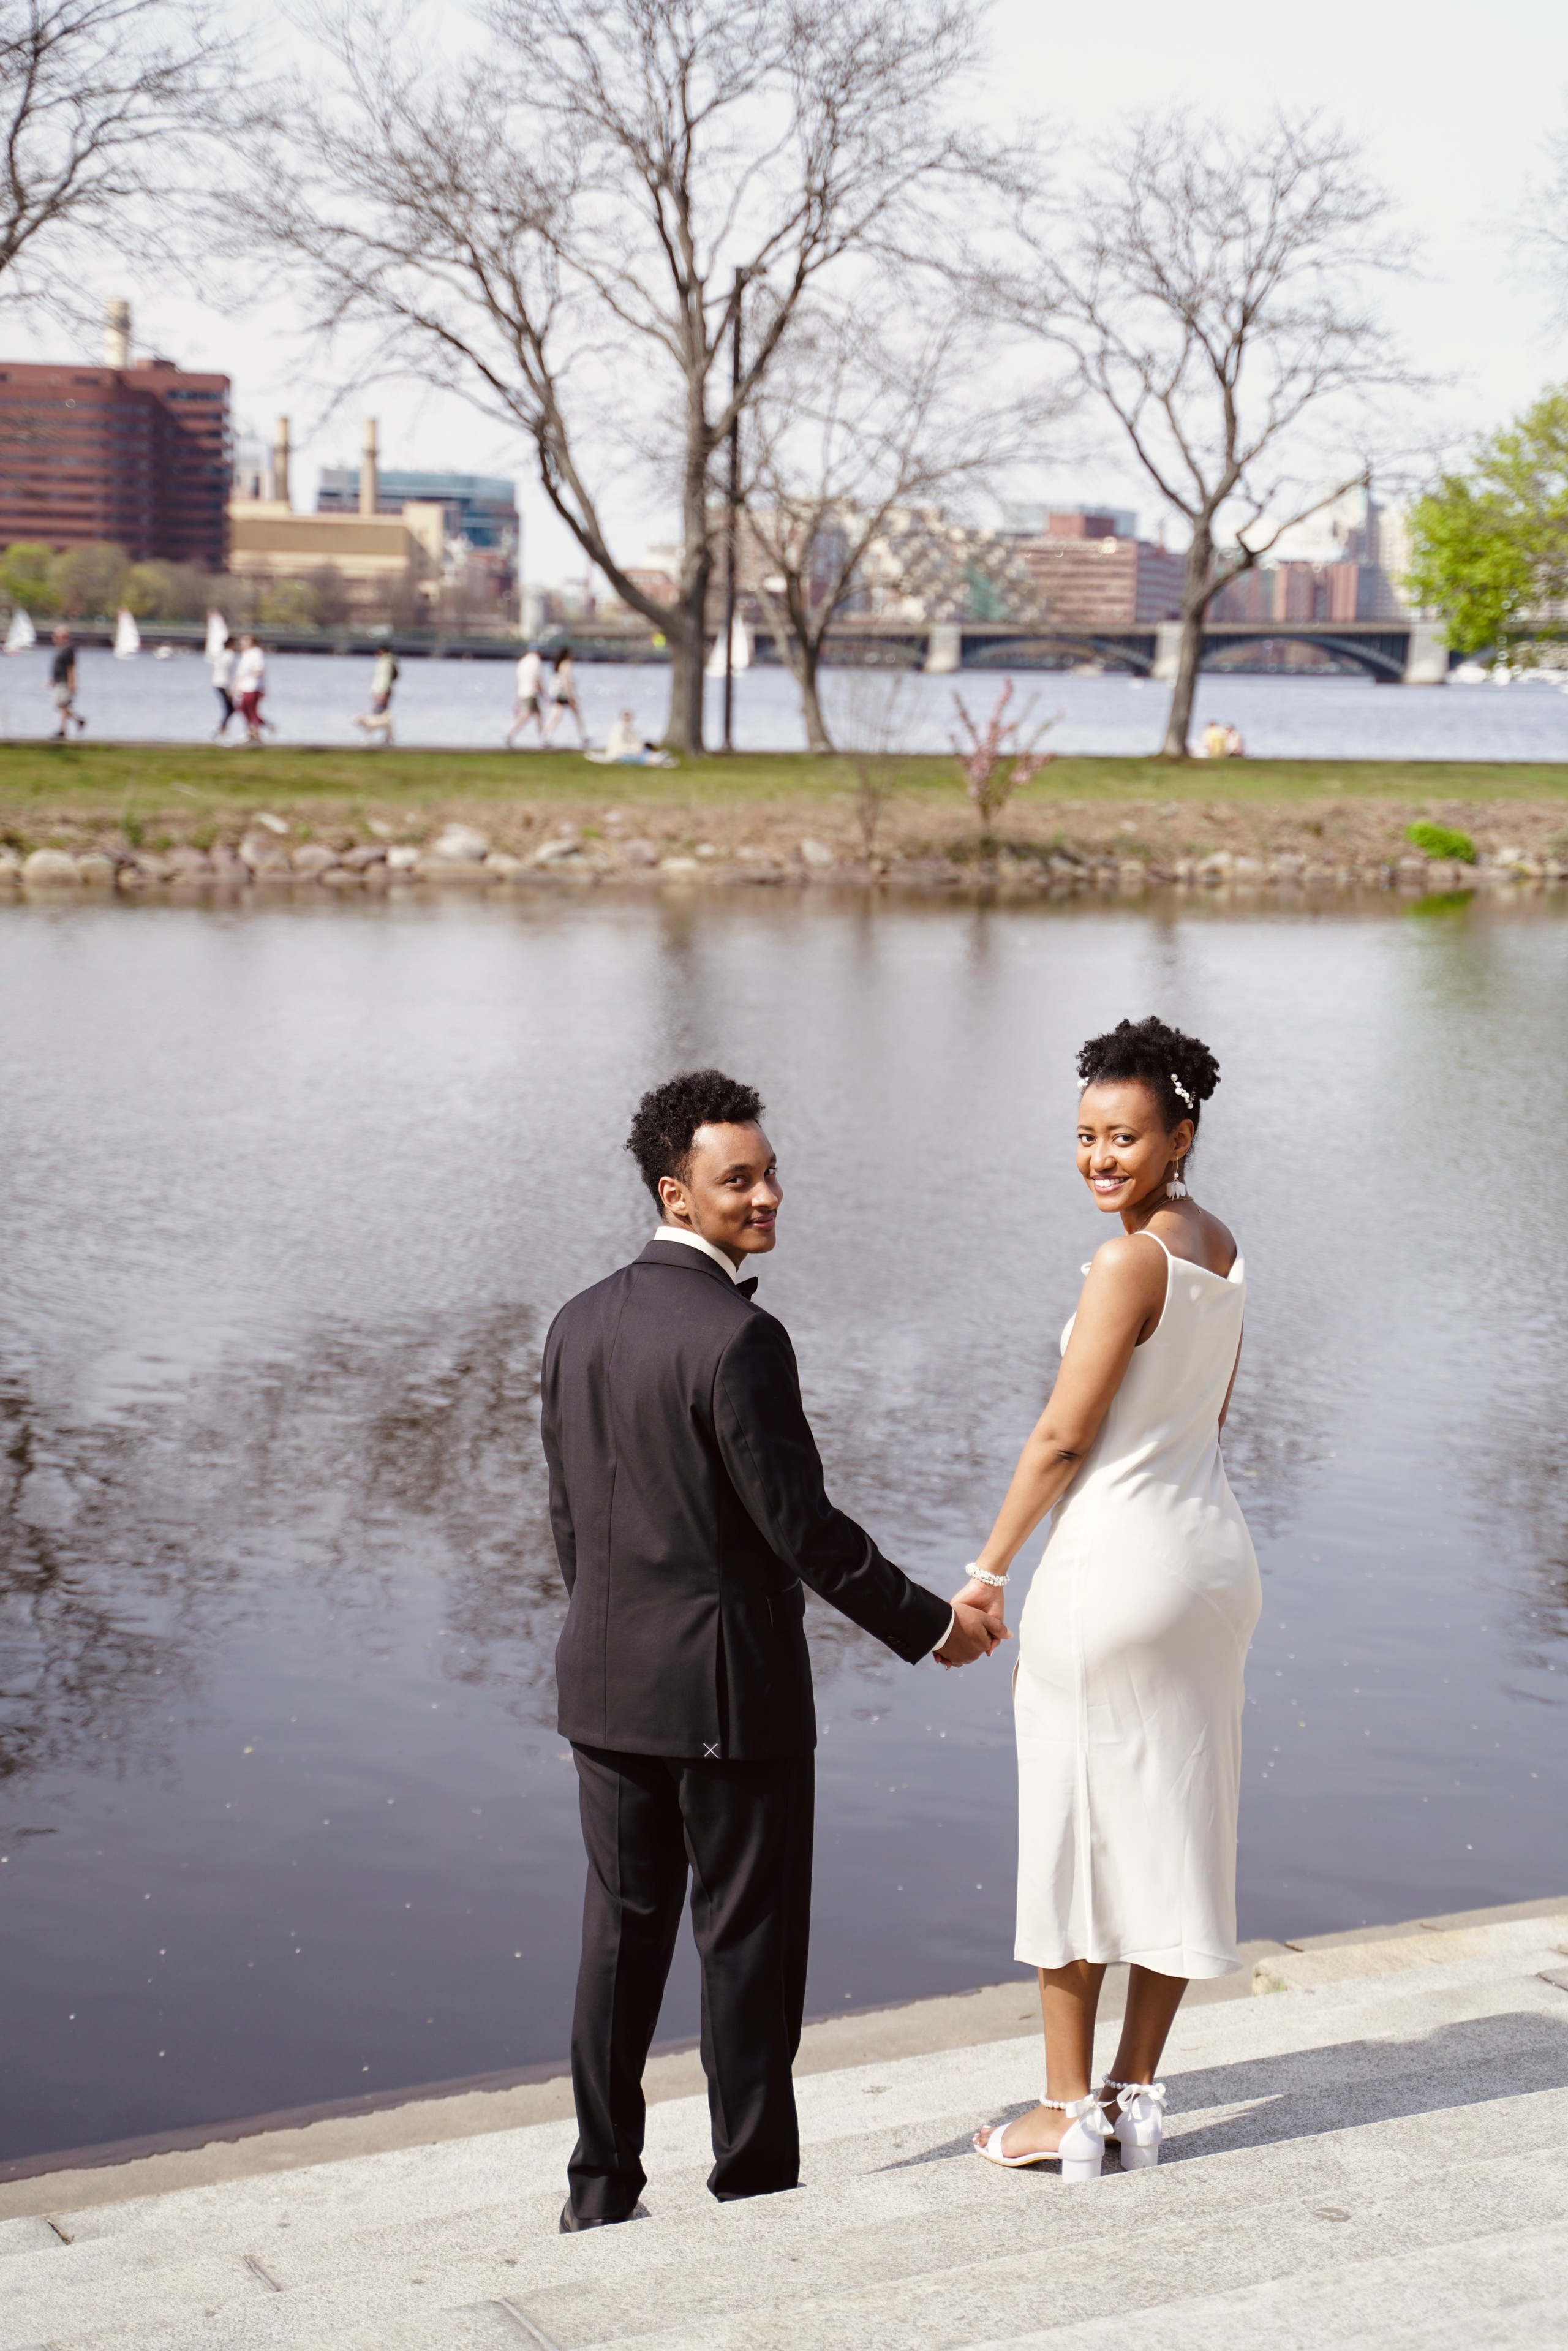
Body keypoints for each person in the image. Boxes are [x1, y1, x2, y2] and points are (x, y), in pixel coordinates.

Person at [540, 1070, 1001, 2233]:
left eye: (769, 1172)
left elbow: (570, 1521)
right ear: (675, 1193)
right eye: (738, 1178)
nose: (768, 1196)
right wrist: (932, 1624)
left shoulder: (576, 1319)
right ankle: (752, 2189)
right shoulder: (741, 1335)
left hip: (606, 1685)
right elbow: (802, 1529)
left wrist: (612, 1641)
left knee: (618, 1940)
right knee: (745, 1945)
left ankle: (599, 2190)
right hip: (730, 1700)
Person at [967, 1015, 1259, 2183]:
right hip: (1211, 1562)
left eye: (1125, 1137)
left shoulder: (1124, 1262)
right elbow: (1210, 1416)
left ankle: (1062, 2111)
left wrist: (989, 1571)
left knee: (1076, 1832)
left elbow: (1062, 1435)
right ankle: (1134, 2098)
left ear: (1181, 1135)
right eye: (1086, 1135)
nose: (1099, 1157)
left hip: (1116, 1569)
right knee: (1179, 1823)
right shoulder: (1221, 1247)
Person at [584, 709, 677, 768]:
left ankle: (658, 758)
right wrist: (632, 749)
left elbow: (635, 741)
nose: (628, 717)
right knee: (639, 757)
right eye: (626, 715)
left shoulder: (630, 728)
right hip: (621, 754)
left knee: (644, 752)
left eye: (629, 715)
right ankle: (657, 761)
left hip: (633, 751)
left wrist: (637, 748)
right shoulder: (619, 728)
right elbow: (619, 744)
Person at [543, 644, 587, 747]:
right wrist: (571, 695)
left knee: (556, 715)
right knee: (574, 715)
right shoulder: (567, 664)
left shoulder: (559, 664)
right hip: (563, 692)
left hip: (556, 691)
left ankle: (546, 736)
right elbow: (567, 680)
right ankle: (583, 737)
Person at [353, 646, 399, 744]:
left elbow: (384, 679)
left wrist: (382, 693)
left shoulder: (386, 663)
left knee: (381, 716)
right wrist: (374, 691)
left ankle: (384, 738)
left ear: (382, 652)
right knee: (380, 715)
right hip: (381, 691)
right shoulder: (386, 662)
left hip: (383, 691)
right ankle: (384, 738)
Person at [505, 645, 547, 747]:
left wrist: (518, 696)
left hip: (522, 692)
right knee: (526, 715)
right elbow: (537, 679)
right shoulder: (536, 661)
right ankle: (510, 735)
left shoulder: (523, 661)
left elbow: (518, 680)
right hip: (531, 692)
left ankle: (544, 739)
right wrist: (543, 694)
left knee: (538, 715)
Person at [49, 627, 85, 739]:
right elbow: (58, 666)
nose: (54, 638)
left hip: (64, 682)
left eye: (56, 636)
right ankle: (78, 720)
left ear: (63, 637)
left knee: (63, 705)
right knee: (60, 706)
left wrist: (72, 683)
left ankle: (63, 730)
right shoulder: (60, 649)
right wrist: (52, 679)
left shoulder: (69, 650)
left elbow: (71, 668)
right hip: (58, 681)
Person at [233, 635, 270, 744]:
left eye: (246, 641)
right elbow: (240, 673)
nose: (243, 643)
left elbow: (260, 670)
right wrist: (236, 685)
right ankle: (253, 731)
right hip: (244, 686)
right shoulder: (246, 654)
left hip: (253, 686)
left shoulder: (257, 653)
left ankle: (254, 732)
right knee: (242, 708)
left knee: (249, 708)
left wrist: (263, 687)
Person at [209, 633, 237, 740]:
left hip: (217, 683)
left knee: (230, 709)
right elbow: (228, 673)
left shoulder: (221, 654)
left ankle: (221, 730)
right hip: (224, 684)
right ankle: (219, 730)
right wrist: (231, 689)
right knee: (230, 709)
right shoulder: (230, 655)